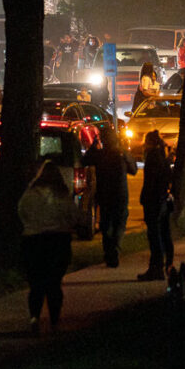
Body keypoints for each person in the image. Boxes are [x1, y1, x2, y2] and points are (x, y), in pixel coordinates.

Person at [18, 160, 81, 334]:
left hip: (33, 241)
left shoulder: (30, 195)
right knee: (54, 283)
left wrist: (31, 225)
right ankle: (54, 319)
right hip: (57, 241)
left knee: (36, 282)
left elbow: (21, 211)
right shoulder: (62, 196)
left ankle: (34, 317)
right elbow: (74, 216)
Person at [83, 125, 136, 267]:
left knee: (106, 225)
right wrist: (125, 151)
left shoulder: (100, 155)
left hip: (105, 194)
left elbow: (85, 160)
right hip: (120, 194)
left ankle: (109, 252)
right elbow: (134, 170)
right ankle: (114, 249)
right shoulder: (120, 154)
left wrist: (94, 146)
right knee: (119, 223)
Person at [137, 130, 174, 280]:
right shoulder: (163, 157)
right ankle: (167, 264)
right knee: (165, 233)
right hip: (163, 199)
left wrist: (145, 198)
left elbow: (150, 182)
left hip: (154, 202)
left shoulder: (153, 158)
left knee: (155, 236)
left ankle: (156, 268)